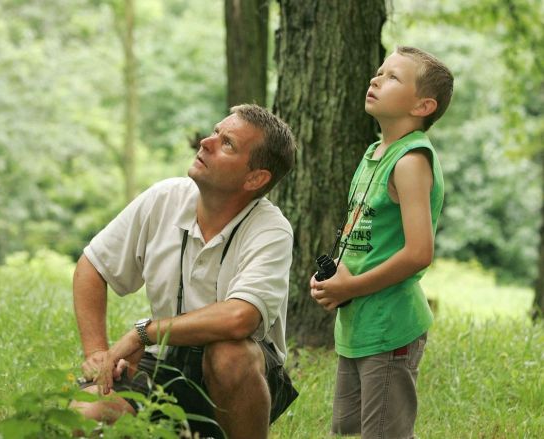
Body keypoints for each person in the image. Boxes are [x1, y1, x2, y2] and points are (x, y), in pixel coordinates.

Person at [71, 104, 299, 439]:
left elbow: (240, 318)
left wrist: (143, 333)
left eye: (227, 144)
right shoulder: (165, 197)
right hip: (161, 363)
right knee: (83, 415)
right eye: (215, 133)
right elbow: (92, 265)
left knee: (228, 353)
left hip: (243, 376)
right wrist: (98, 355)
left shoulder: (271, 229)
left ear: (255, 178)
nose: (206, 142)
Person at [310, 46, 454, 438]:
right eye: (379, 72)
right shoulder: (375, 153)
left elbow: (419, 253)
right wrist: (334, 277)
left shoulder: (411, 161)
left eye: (392, 77)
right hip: (358, 323)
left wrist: (351, 286)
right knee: (349, 429)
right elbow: (361, 230)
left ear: (424, 105)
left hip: (390, 325)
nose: (375, 80)